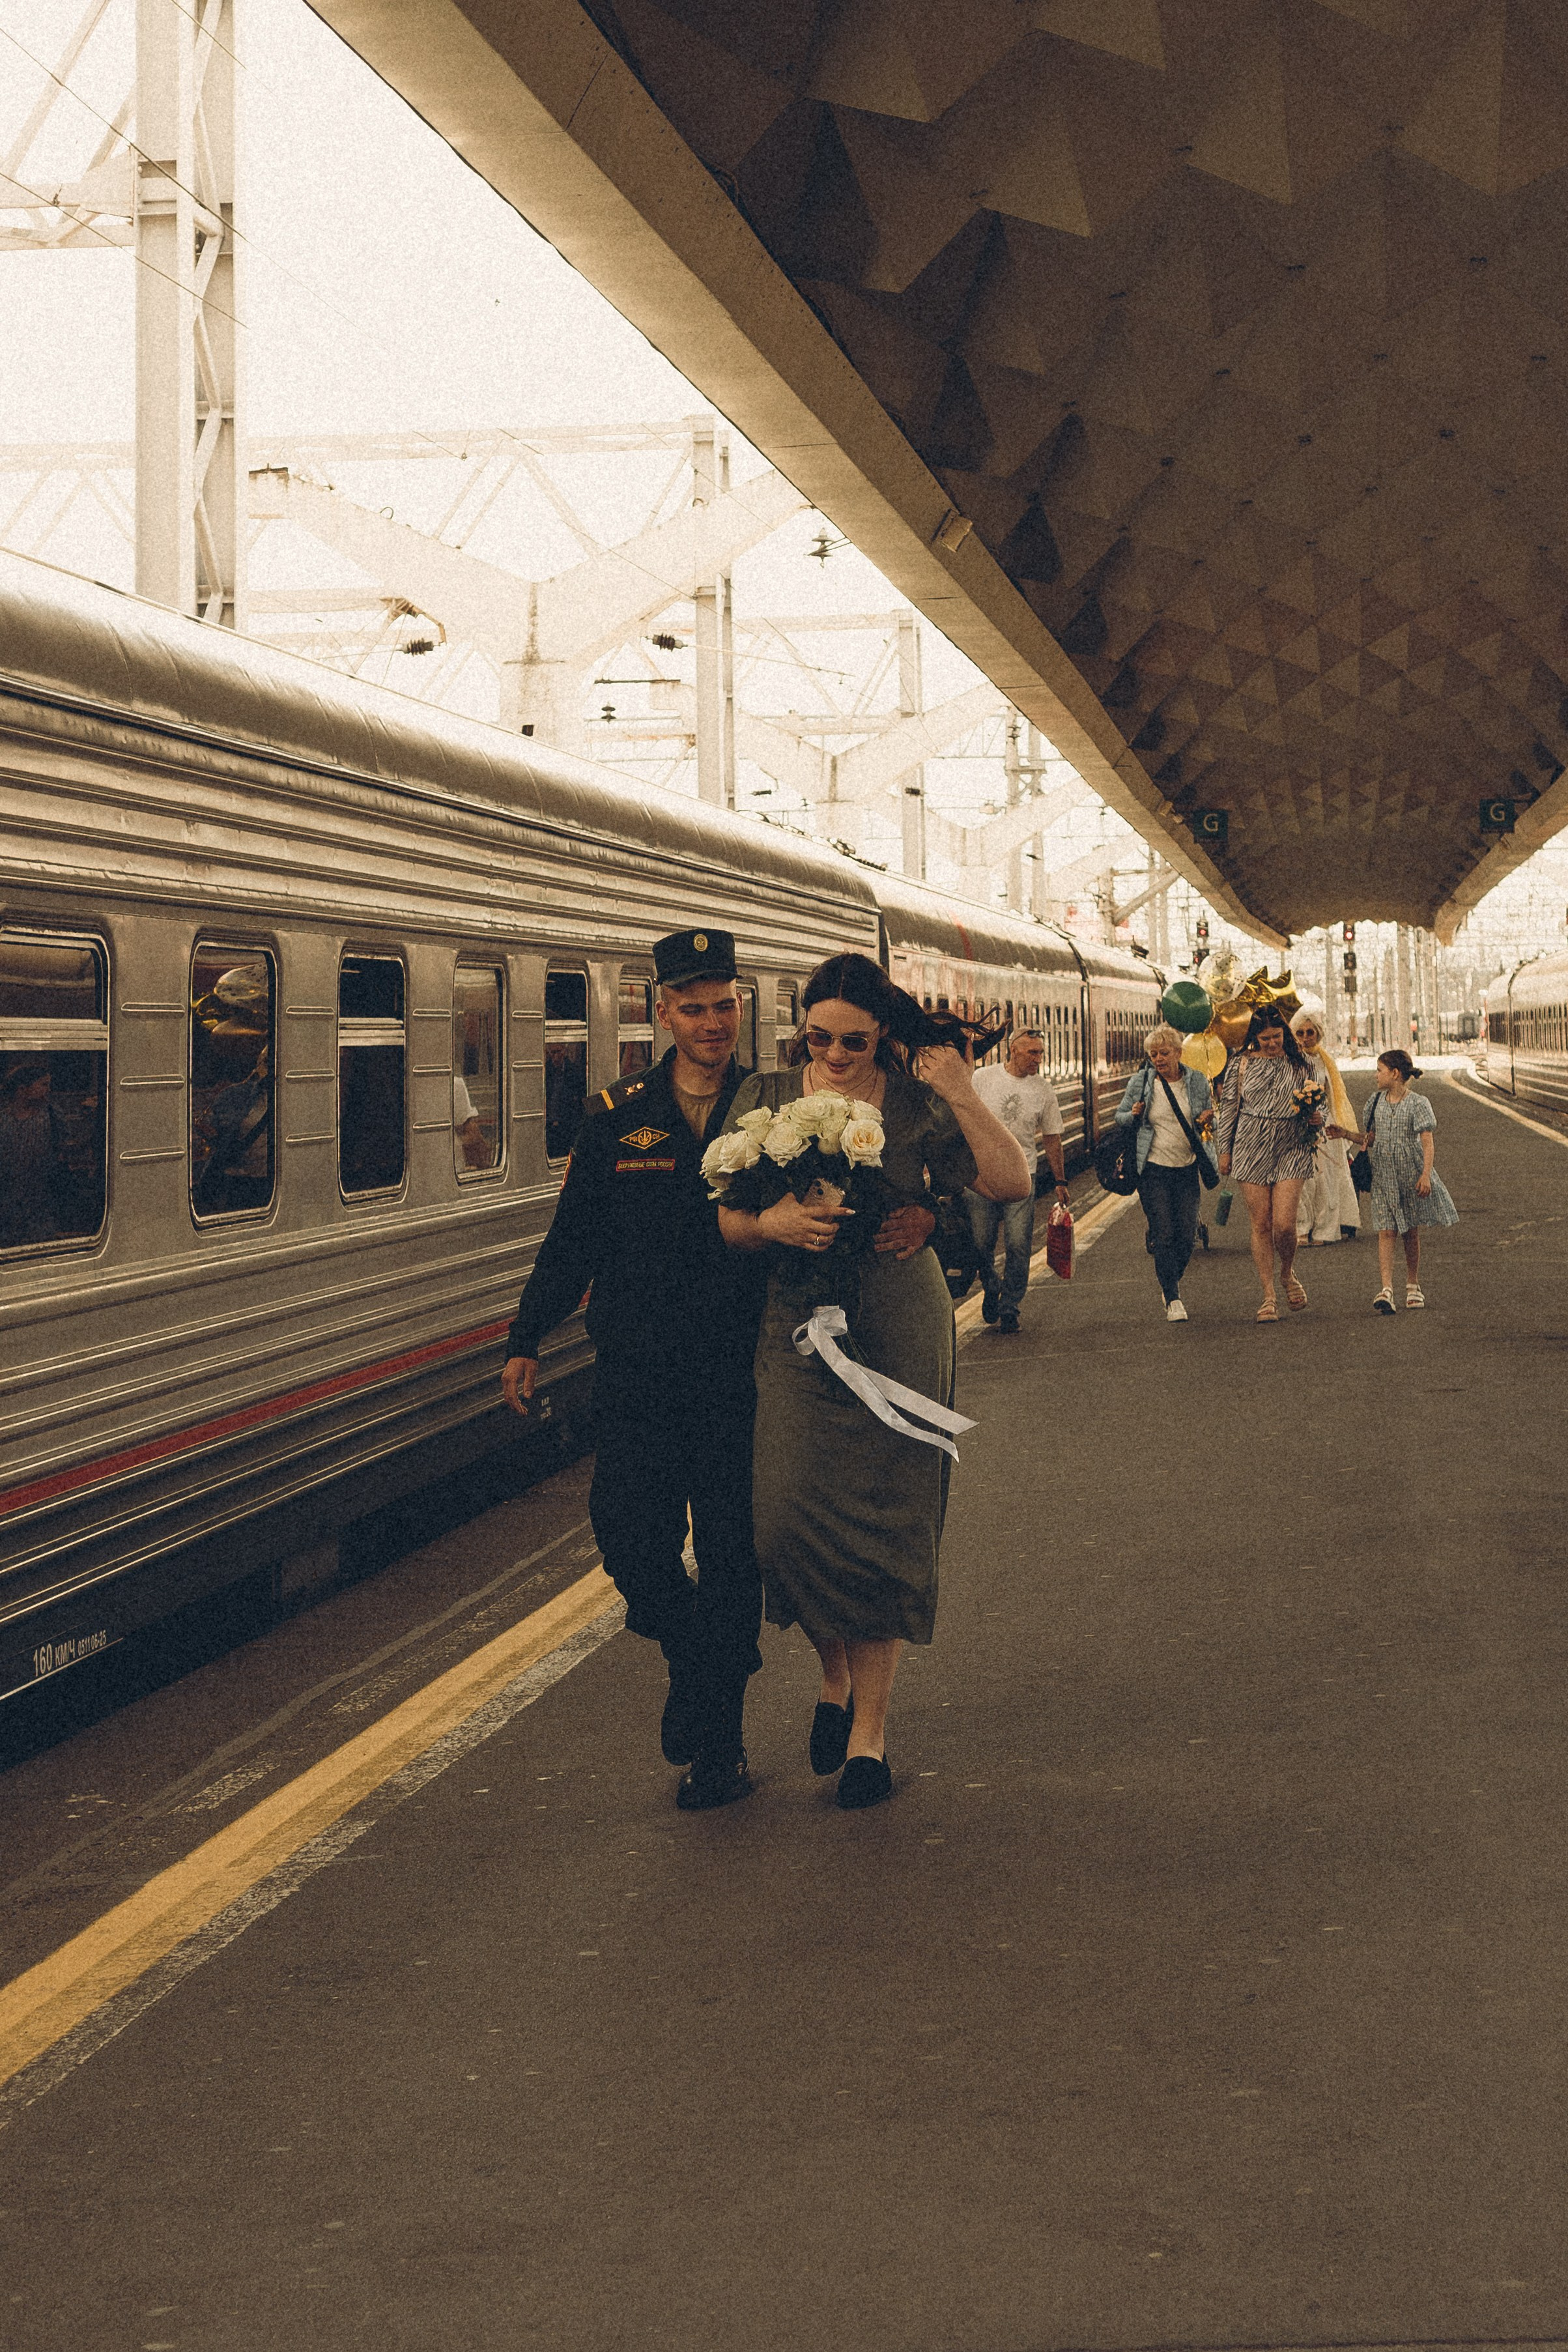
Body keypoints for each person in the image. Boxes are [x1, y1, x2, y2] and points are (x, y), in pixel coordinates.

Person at [717, 953, 1029, 1810]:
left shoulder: (916, 1103)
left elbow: (1009, 1181)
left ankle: (869, 1736)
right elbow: (723, 1218)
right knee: (785, 1520)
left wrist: (960, 1090)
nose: (834, 1053)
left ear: (879, 1035)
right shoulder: (762, 1097)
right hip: (795, 1327)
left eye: (853, 1040)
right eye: (817, 1036)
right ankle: (832, 1673)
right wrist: (771, 1220)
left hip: (896, 1318)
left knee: (890, 1516)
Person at [500, 928, 765, 1811]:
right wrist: (525, 1335)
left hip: (737, 1367)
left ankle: (717, 1745)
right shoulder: (618, 1113)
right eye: (692, 1007)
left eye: (723, 1005)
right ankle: (692, 1655)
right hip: (640, 1369)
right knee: (628, 1536)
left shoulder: (771, 1110)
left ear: (740, 1007)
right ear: (661, 1014)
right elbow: (575, 1233)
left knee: (729, 1553)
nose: (711, 1022)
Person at [1214, 1005, 1322, 1322]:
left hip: (1292, 1142)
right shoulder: (1241, 1064)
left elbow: (1319, 1103)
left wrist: (1318, 1118)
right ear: (1255, 1038)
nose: (1272, 1044)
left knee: (1285, 1225)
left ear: (1284, 1034)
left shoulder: (1302, 1063)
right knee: (1261, 1223)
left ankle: (1287, 1273)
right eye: (1265, 1039)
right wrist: (1225, 1150)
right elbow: (1229, 1108)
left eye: (1277, 1037)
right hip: (1250, 1143)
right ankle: (1268, 1294)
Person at [965, 1027, 1067, 1333]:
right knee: (981, 1243)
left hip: (1023, 1175)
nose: (1038, 1059)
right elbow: (963, 1117)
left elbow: (1052, 1137)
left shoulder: (1043, 1090)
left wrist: (1061, 1180)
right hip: (981, 1174)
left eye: (1040, 1053)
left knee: (1019, 1244)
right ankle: (991, 1283)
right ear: (1013, 1051)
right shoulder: (983, 1078)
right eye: (1032, 1053)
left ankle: (1010, 1306)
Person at [1115, 1023, 1215, 1323]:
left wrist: (1207, 1119)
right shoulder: (1142, 1082)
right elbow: (1119, 1117)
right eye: (1153, 1054)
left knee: (1186, 1236)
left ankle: (1170, 1279)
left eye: (1164, 1053)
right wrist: (1132, 1114)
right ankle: (1172, 1297)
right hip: (1153, 1169)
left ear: (1179, 1053)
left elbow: (1208, 1122)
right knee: (1164, 1233)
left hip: (1186, 1167)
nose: (1158, 1059)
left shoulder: (1196, 1081)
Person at [1357, 1049, 1457, 1313]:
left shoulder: (1418, 1103)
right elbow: (1370, 1139)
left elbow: (1427, 1142)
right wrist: (1344, 1134)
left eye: (1379, 1070)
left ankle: (1413, 1285)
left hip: (1409, 1174)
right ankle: (1386, 1289)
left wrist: (1425, 1175)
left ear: (1395, 1074)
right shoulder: (1375, 1102)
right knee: (1386, 1230)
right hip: (1383, 1174)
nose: (1375, 1076)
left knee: (1410, 1231)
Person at [1290, 1009, 1360, 1245]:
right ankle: (1300, 1227)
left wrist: (1322, 1117)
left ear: (1319, 1034)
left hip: (1323, 1124)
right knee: (1301, 1179)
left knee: (1326, 1179)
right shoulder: (1287, 1060)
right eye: (1300, 1032)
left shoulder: (1325, 1061)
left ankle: (1324, 1229)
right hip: (1295, 1126)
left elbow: (1330, 1096)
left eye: (1311, 1032)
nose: (1305, 1037)